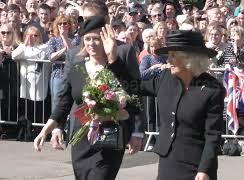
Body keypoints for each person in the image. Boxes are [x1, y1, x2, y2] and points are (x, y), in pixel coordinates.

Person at [33, 16, 143, 180]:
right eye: (88, 39)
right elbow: (64, 103)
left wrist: (113, 58)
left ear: (106, 40)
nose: (91, 43)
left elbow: (135, 97)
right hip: (81, 139)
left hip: (110, 138)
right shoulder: (77, 69)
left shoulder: (116, 67)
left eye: (96, 39)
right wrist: (46, 129)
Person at [106, 29, 225, 180]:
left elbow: (212, 135)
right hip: (169, 161)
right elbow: (133, 86)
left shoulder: (212, 88)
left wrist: (205, 169)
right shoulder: (166, 78)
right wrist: (113, 59)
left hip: (197, 165)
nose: (168, 61)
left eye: (173, 55)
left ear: (189, 58)